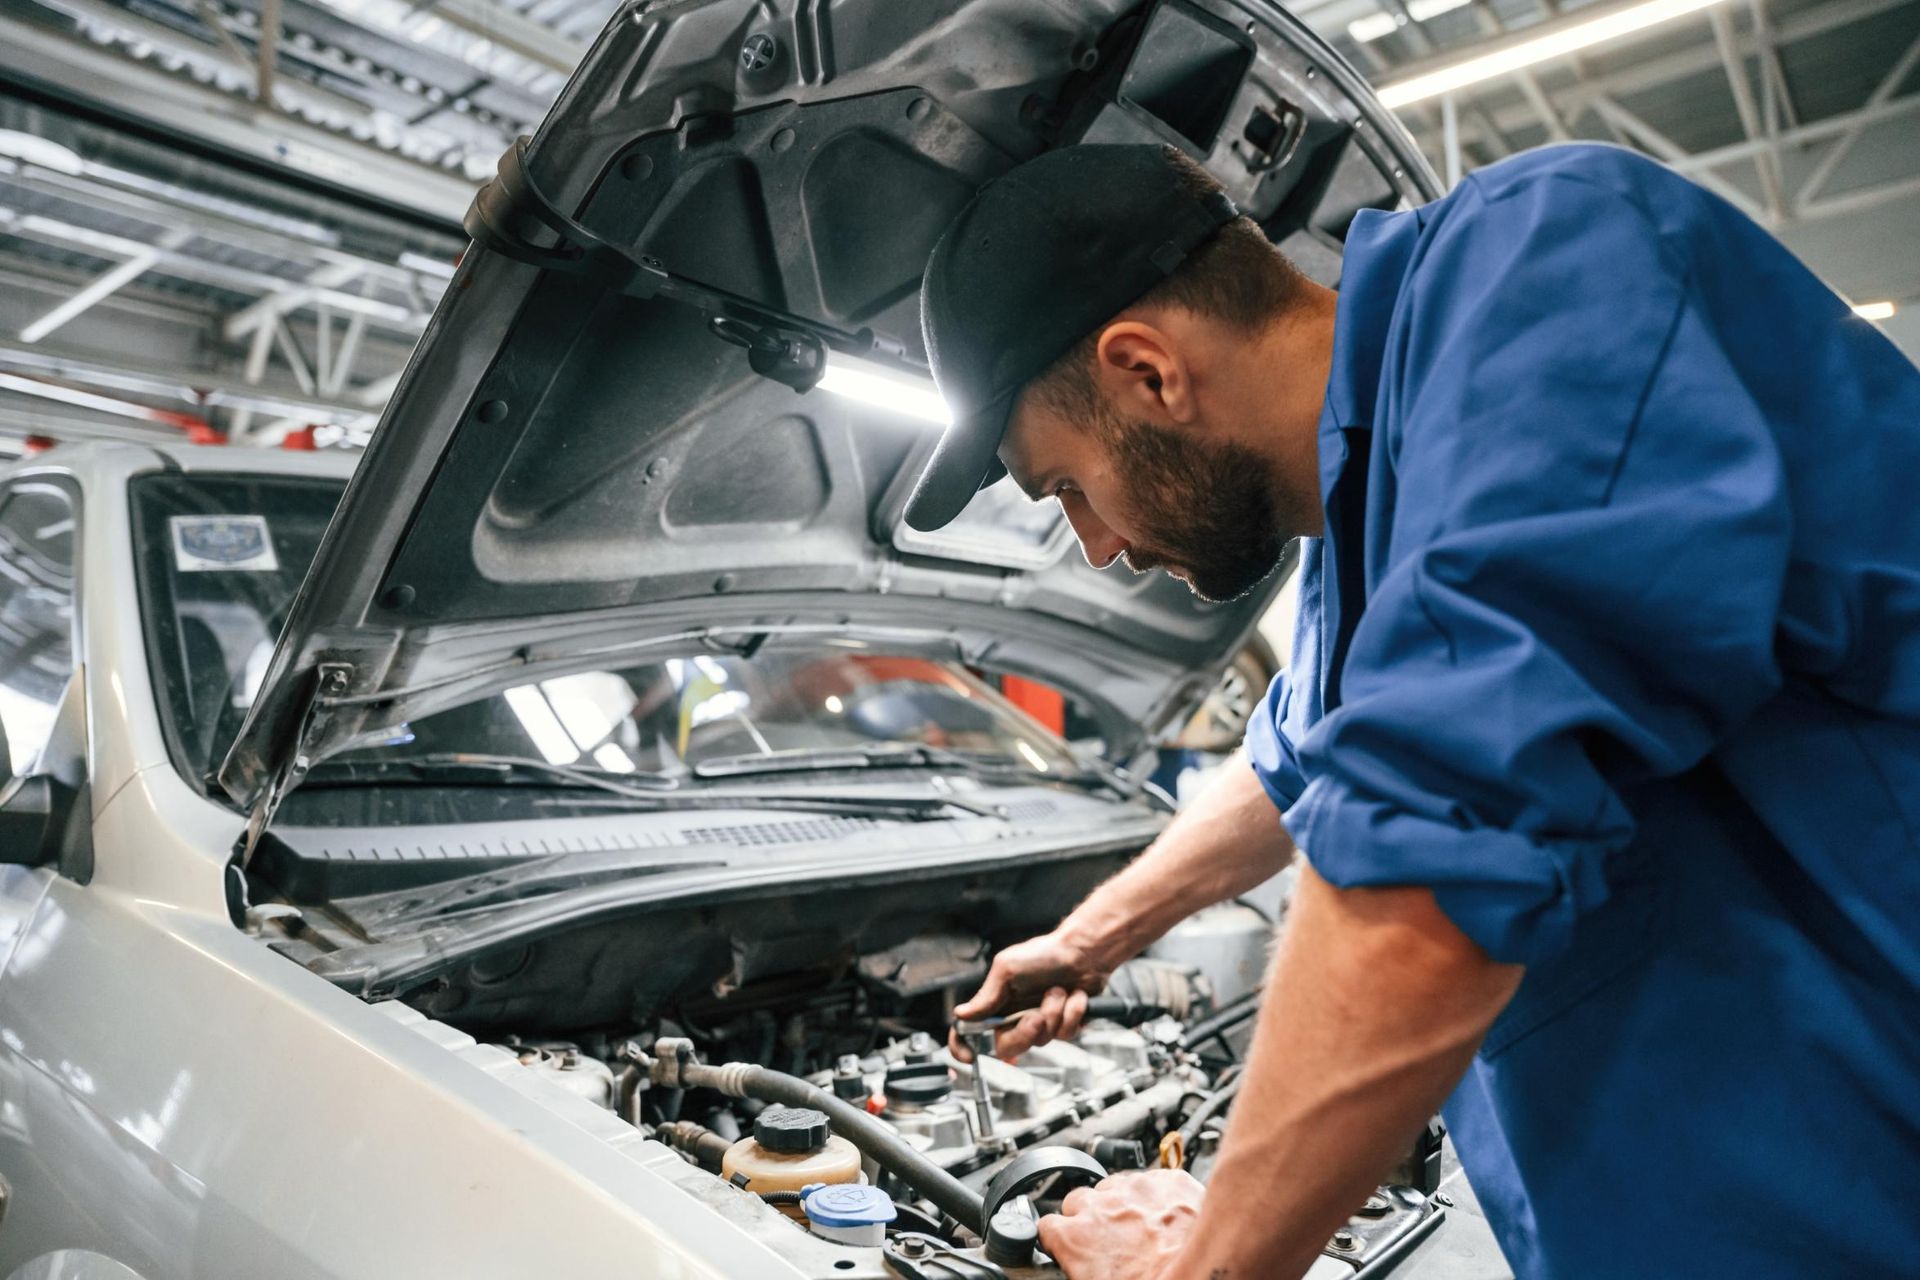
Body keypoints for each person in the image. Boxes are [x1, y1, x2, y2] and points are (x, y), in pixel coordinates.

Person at [901, 141, 1920, 1280]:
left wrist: (1204, 1266)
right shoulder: (1362, 516)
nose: (1096, 546)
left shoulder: (1546, 270)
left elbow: (1439, 833)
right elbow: (1301, 756)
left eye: (1068, 488)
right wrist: (1096, 936)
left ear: (1148, 372)